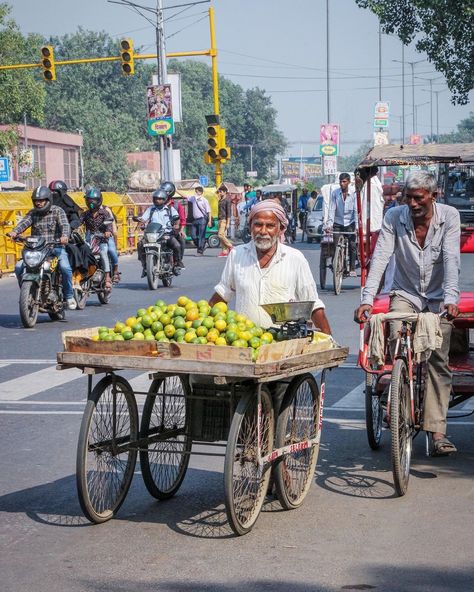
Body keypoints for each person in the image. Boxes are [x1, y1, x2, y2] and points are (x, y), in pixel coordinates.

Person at [354, 171, 461, 456]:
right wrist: (367, 300)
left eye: (418, 198)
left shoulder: (449, 217)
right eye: (408, 197)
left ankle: (437, 431)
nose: (412, 204)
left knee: (438, 359)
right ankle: (396, 392)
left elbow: (452, 259)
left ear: (433, 196)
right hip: (405, 293)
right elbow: (379, 259)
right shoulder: (394, 217)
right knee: (395, 336)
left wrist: (450, 299)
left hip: (438, 297)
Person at [209, 199, 331, 333]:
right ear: (250, 227)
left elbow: (312, 304)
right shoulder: (236, 255)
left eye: (270, 226)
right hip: (246, 342)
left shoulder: (295, 258)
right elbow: (222, 294)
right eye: (258, 225)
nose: (263, 231)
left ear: (281, 229)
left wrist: (330, 341)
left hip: (284, 343)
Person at [10, 185, 76, 310]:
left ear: (48, 200)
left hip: (54, 248)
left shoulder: (57, 211)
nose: (38, 203)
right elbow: (24, 223)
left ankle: (69, 296)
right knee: (19, 267)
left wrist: (64, 236)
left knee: (65, 268)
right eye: (36, 201)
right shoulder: (32, 213)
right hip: (36, 250)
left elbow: (65, 225)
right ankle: (28, 293)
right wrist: (15, 232)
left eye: (41, 200)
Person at [136, 188, 183, 276]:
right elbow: (143, 219)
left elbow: (177, 218)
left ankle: (177, 264)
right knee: (140, 244)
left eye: (160, 199)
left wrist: (176, 225)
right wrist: (140, 224)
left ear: (164, 199)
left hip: (166, 234)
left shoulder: (169, 209)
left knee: (177, 245)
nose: (157, 200)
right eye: (156, 198)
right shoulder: (151, 209)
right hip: (152, 234)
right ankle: (145, 266)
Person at [80, 188, 115, 289]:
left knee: (103, 252)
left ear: (99, 200)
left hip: (102, 239)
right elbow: (79, 222)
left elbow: (109, 224)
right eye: (89, 199)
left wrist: (107, 232)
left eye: (94, 200)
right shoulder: (85, 214)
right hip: (89, 239)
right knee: (81, 252)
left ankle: (107, 277)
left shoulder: (104, 213)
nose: (91, 202)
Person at [325, 172, 358, 277]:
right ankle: (338, 263)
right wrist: (329, 225)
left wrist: (357, 226)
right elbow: (331, 209)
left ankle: (352, 268)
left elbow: (356, 211)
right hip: (338, 222)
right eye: (340, 181)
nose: (342, 183)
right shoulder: (335, 193)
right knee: (335, 245)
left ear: (349, 182)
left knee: (352, 245)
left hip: (350, 222)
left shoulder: (354, 193)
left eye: (344, 181)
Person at [161, 180, 186, 268]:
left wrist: (181, 230)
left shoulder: (176, 205)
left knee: (181, 240)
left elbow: (182, 219)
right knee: (142, 243)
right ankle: (146, 265)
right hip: (159, 231)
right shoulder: (157, 204)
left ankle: (178, 261)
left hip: (173, 230)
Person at [188, 185, 212, 256]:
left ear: (200, 192)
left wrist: (209, 221)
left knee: (201, 236)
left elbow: (209, 211)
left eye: (197, 191)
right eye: (195, 191)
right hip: (195, 220)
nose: (195, 193)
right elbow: (185, 196)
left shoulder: (204, 200)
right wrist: (176, 190)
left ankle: (200, 251)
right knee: (193, 235)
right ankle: (202, 244)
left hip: (202, 219)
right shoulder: (193, 198)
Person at [216, 184, 233, 257]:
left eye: (221, 192)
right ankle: (224, 251)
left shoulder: (227, 200)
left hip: (224, 220)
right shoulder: (220, 200)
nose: (220, 193)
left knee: (220, 235)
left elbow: (228, 212)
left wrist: (228, 223)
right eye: (219, 192)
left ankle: (230, 246)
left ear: (225, 192)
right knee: (223, 235)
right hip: (219, 219)